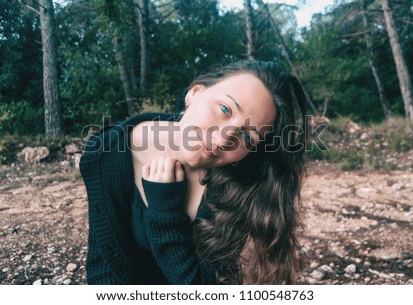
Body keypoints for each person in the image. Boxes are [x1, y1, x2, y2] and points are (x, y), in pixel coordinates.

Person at [80, 60, 308, 285]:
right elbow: (105, 267)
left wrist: (166, 215)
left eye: (247, 136)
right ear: (194, 93)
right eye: (225, 109)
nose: (222, 139)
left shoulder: (242, 183)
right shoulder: (106, 152)